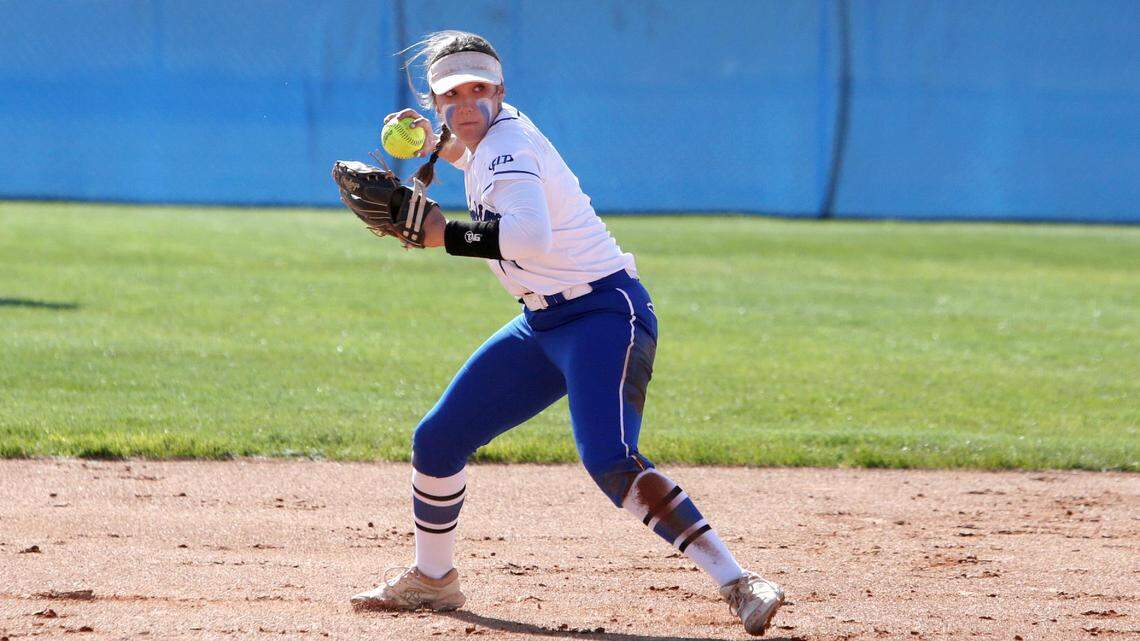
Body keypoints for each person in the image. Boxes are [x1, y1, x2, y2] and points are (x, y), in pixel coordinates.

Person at [348, 30, 784, 636]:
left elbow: (529, 237)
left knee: (610, 458)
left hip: (603, 315)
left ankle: (738, 582)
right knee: (438, 440)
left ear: (500, 90)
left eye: (479, 90)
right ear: (435, 101)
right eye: (452, 95)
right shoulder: (494, 137)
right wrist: (435, 143)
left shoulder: (509, 146)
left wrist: (442, 235)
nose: (467, 103)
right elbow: (475, 155)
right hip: (543, 323)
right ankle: (433, 578)